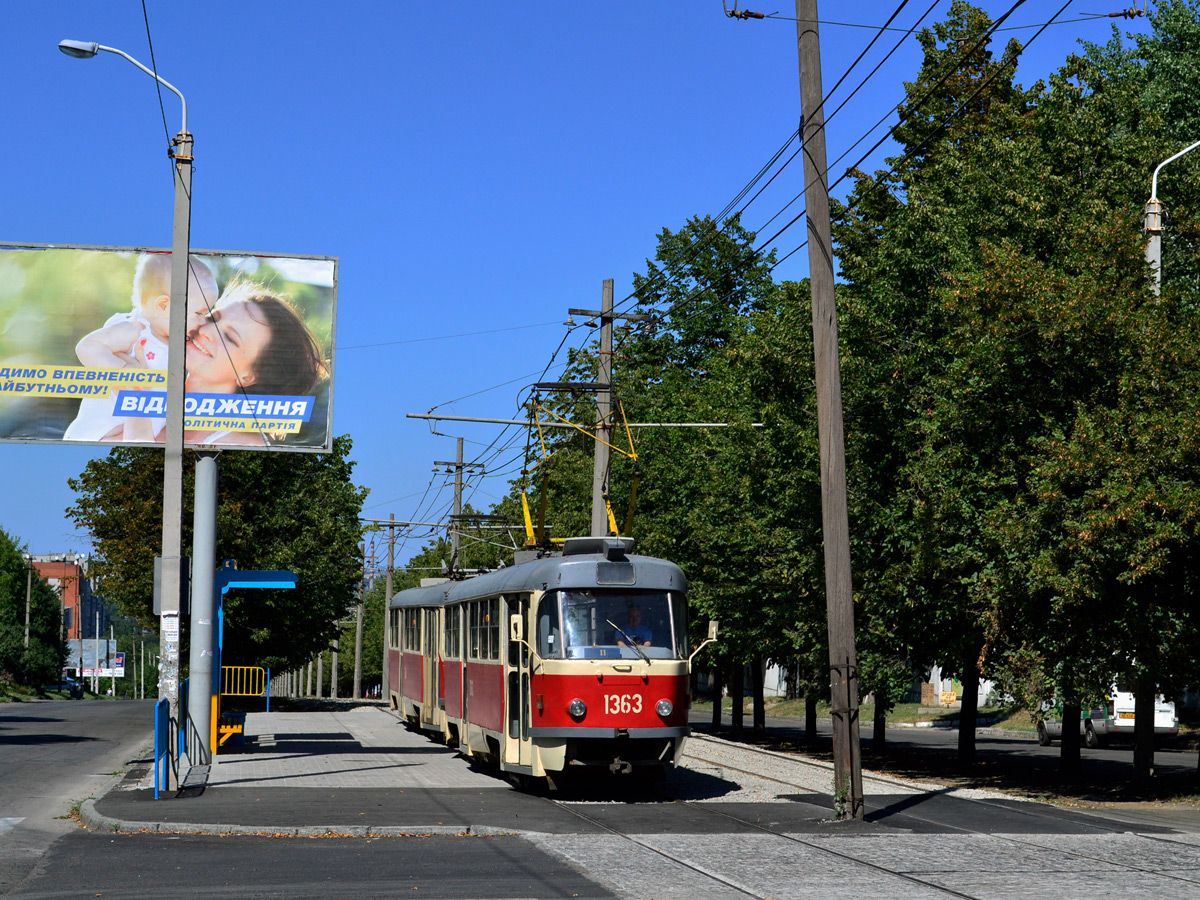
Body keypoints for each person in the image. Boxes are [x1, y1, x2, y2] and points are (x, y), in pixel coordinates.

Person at [122, 280, 326, 447]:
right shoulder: (153, 388)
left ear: (248, 376)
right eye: (213, 318)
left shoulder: (245, 446)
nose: (205, 330)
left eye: (229, 338)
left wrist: (137, 395)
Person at [63, 253, 217, 442]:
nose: (203, 321)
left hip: (138, 437)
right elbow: (87, 347)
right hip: (99, 435)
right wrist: (124, 371)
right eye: (199, 313)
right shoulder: (136, 330)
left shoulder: (176, 342)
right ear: (163, 305)